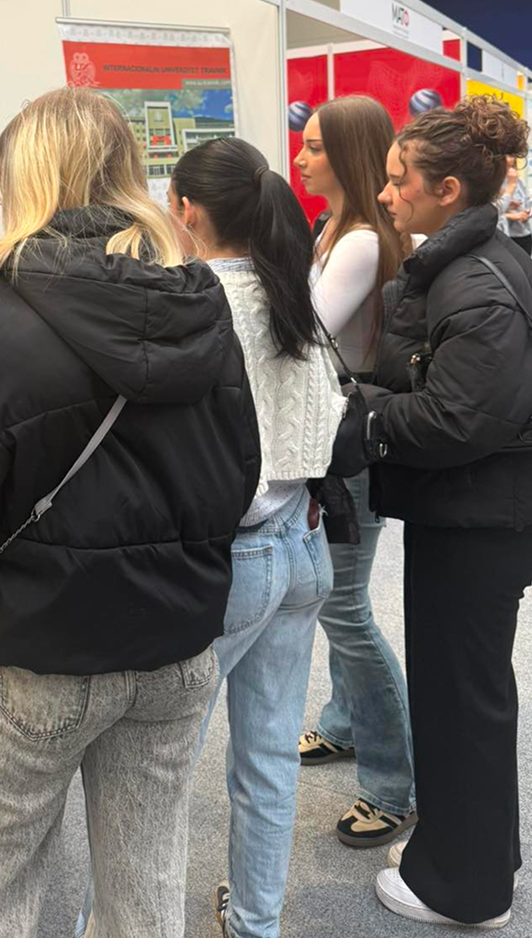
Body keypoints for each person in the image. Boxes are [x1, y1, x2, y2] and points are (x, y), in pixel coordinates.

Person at [0, 88, 260, 938]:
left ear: (25, 182)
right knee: (145, 893)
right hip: (175, 646)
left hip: (37, 655)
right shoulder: (201, 308)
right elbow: (237, 478)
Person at [166, 137, 344, 937]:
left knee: (151, 771)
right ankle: (254, 924)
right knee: (267, 761)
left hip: (232, 558)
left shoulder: (192, 303)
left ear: (185, 209)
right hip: (301, 538)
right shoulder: (289, 290)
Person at [362, 95, 532, 927]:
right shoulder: (475, 265)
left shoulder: (475, 284)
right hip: (474, 514)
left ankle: (465, 890)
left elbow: (460, 419)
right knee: (463, 691)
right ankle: (472, 855)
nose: (385, 193)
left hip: (478, 520)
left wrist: (359, 419)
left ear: (448, 190)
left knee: (461, 700)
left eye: (399, 180)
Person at [293, 95, 416, 847]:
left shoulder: (362, 240)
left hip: (349, 444)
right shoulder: (334, 229)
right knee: (335, 600)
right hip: (334, 439)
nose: (301, 157)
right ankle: (343, 722)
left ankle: (393, 784)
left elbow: (304, 334)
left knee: (344, 609)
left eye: (314, 146)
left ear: (346, 152)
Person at [497, 155, 531, 255]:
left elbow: (527, 200)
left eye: (513, 166)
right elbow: (493, 211)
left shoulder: (519, 181)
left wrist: (527, 212)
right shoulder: (496, 184)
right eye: (508, 167)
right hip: (508, 234)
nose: (511, 171)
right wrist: (512, 216)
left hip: (524, 231)